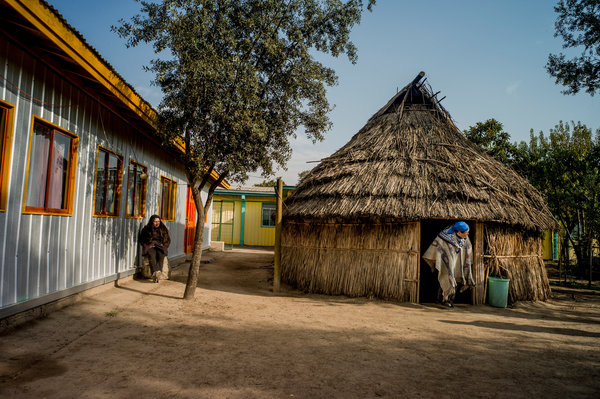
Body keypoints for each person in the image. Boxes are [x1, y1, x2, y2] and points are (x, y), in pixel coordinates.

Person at [422, 221, 475, 307]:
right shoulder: (444, 237)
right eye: (466, 232)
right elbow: (436, 249)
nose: (468, 233)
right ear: (458, 232)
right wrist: (437, 259)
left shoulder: (465, 238)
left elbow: (468, 247)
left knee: (456, 280)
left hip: (458, 264)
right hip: (446, 264)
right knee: (446, 279)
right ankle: (442, 299)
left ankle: (450, 300)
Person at [140, 215, 171, 283]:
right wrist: (146, 246)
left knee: (161, 255)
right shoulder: (146, 229)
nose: (157, 223)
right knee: (151, 256)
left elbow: (168, 240)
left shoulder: (163, 229)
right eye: (155, 221)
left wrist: (164, 246)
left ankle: (158, 273)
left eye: (158, 221)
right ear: (152, 222)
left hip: (160, 246)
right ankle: (154, 273)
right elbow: (142, 240)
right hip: (150, 246)